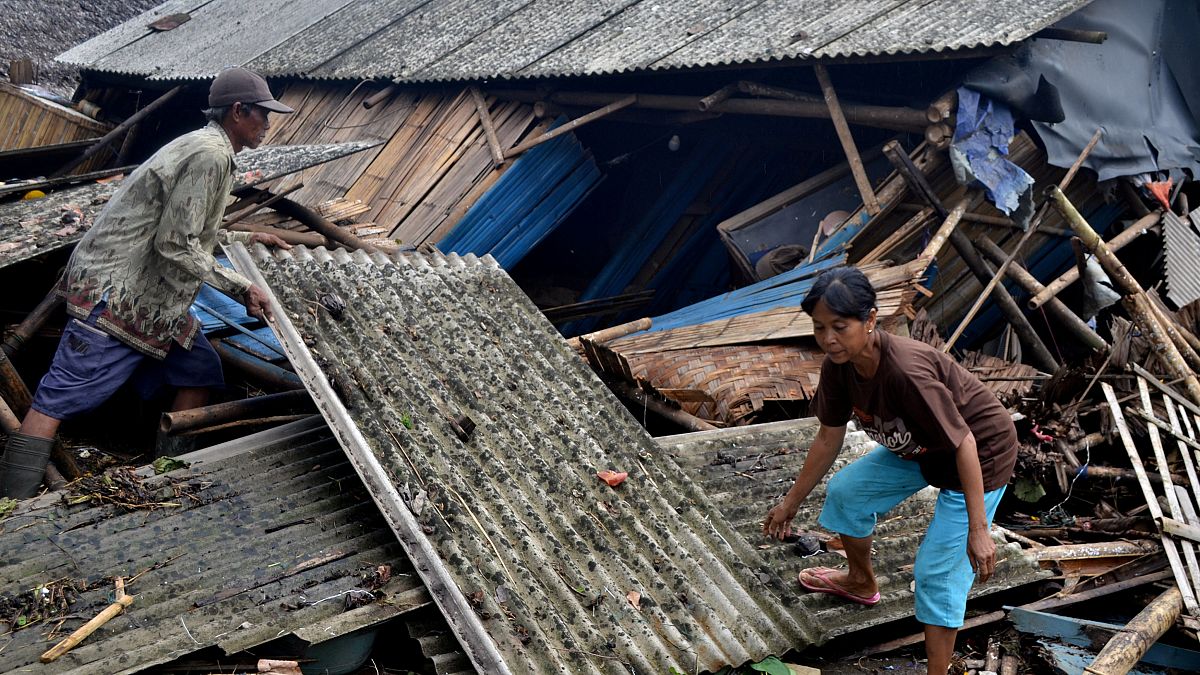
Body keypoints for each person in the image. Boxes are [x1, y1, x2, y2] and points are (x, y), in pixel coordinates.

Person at [0, 67, 296, 498]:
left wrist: (245, 237)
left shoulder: (211, 149)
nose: (267, 124)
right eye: (263, 115)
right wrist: (239, 285)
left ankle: (165, 474)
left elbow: (188, 230)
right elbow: (176, 244)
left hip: (153, 297)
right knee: (59, 396)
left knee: (199, 369)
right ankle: (14, 504)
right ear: (238, 111)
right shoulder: (209, 155)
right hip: (116, 294)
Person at [762, 266, 1016, 675]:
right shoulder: (838, 366)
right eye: (820, 327)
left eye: (840, 327)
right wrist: (790, 502)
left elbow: (965, 442)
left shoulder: (905, 372)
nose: (829, 339)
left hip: (978, 455)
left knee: (936, 572)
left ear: (871, 320)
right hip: (922, 449)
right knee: (847, 492)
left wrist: (979, 528)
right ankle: (861, 582)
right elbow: (829, 438)